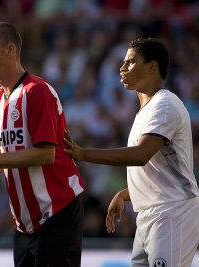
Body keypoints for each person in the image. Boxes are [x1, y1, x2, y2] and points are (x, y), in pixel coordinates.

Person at [0, 22, 85, 267]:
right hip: (24, 223)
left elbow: (45, 154)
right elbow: (7, 156)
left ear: (10, 50)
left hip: (56, 212)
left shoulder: (37, 92)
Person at [63, 37, 199, 267]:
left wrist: (84, 154)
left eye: (130, 61)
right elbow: (158, 171)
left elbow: (139, 155)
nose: (121, 67)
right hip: (150, 214)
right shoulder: (144, 112)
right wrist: (125, 194)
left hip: (172, 212)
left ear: (152, 67)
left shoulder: (165, 104)